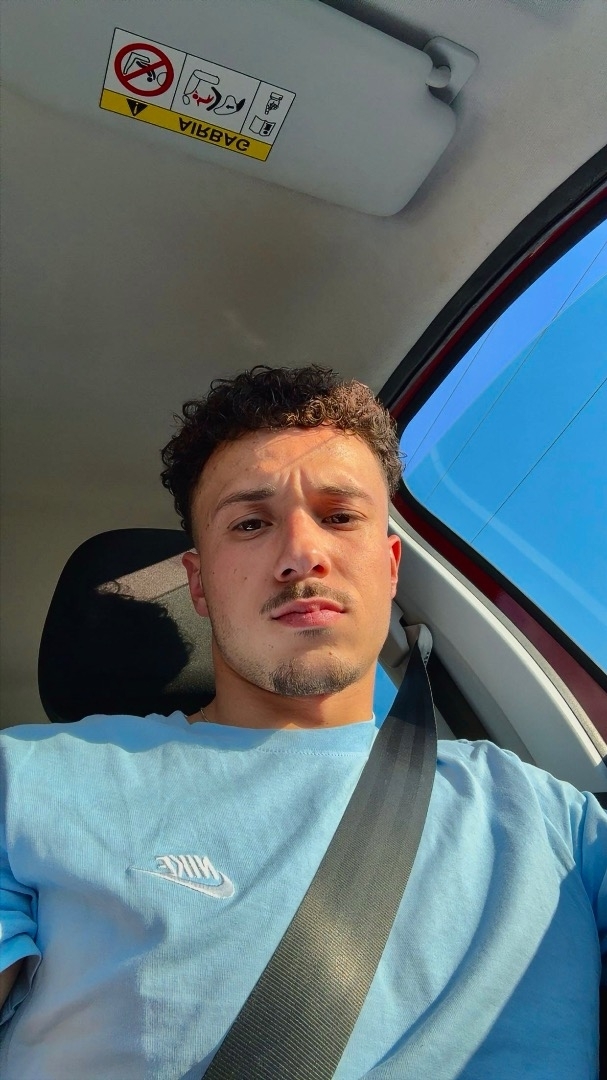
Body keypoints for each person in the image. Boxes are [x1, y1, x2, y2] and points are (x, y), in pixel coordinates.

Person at [0, 365, 605, 1079]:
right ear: (198, 583)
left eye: (340, 516)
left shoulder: (558, 820)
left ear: (389, 566)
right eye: (250, 524)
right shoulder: (27, 781)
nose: (300, 555)